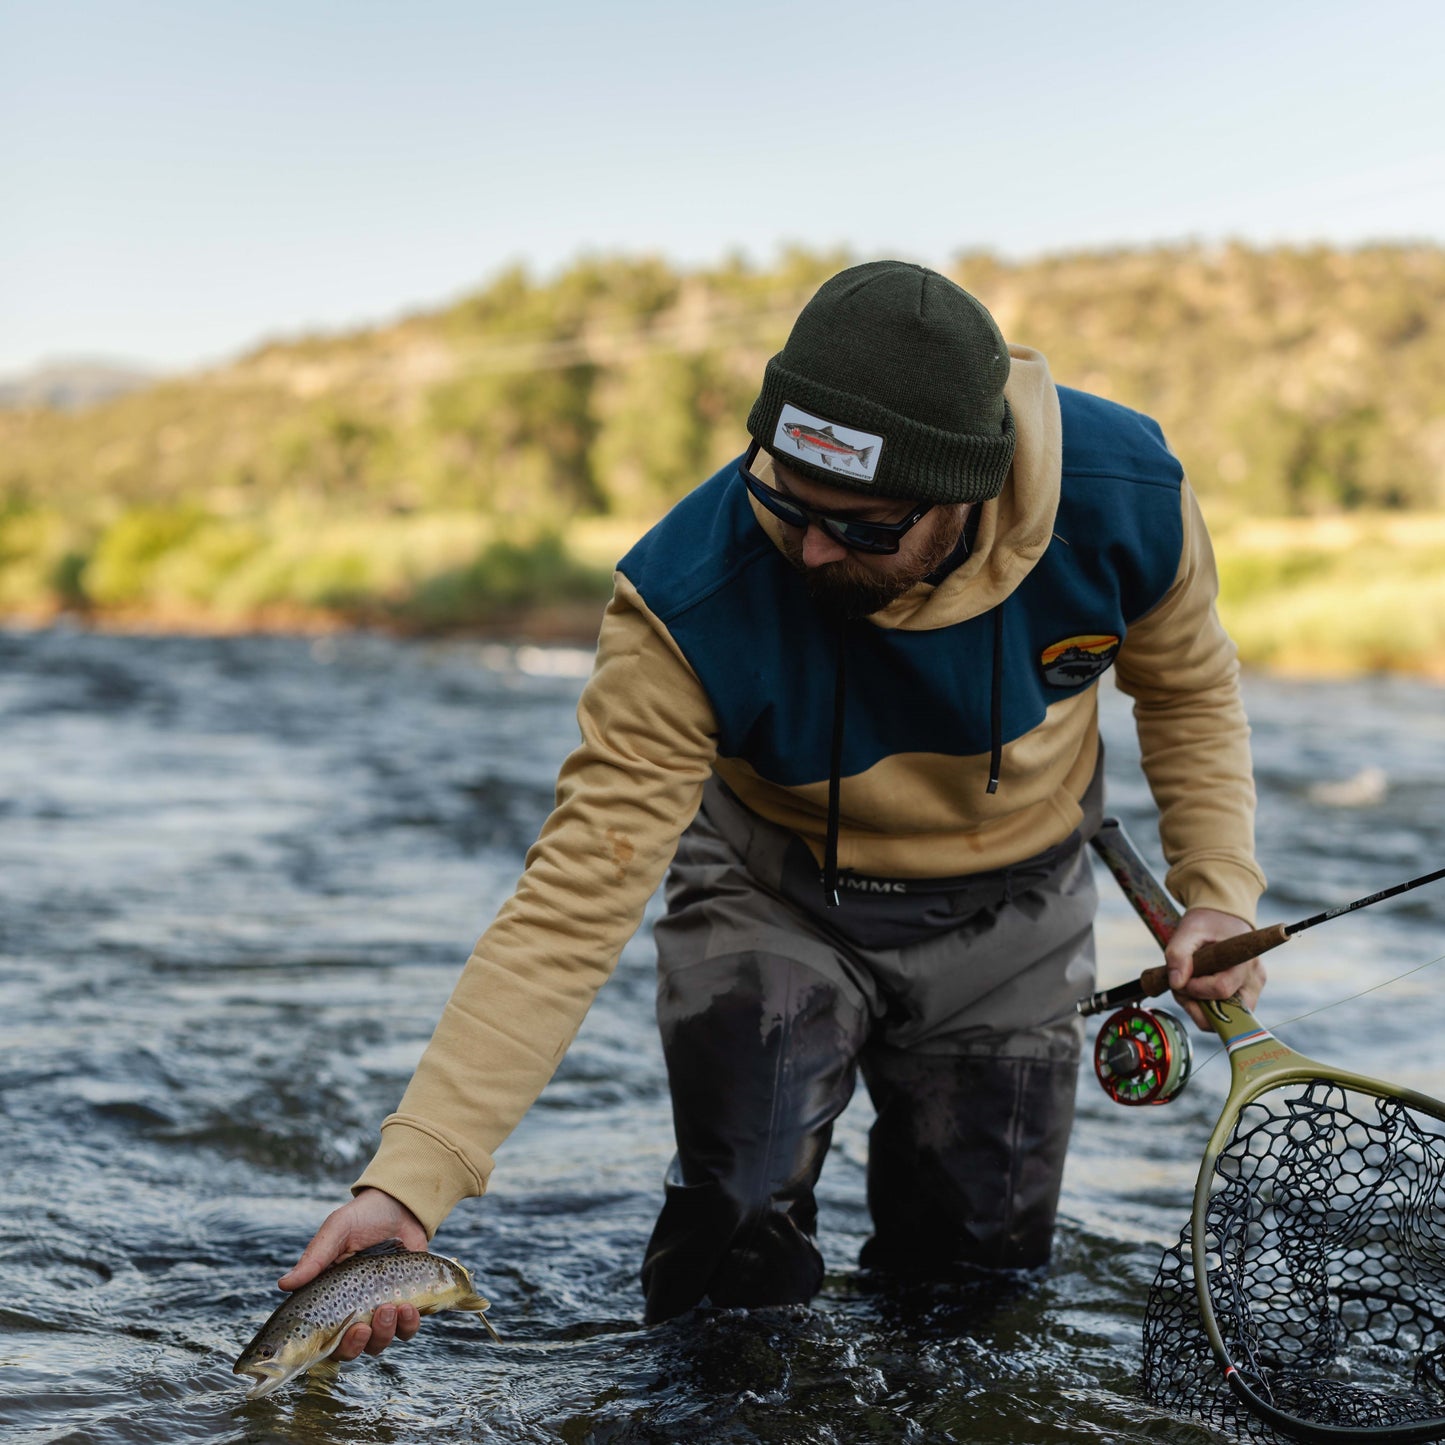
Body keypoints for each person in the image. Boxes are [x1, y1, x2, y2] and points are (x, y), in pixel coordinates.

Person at [279, 260, 1267, 1356]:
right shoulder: (684, 600)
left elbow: (1186, 689)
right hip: (772, 889)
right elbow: (568, 907)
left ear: (964, 491)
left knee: (971, 1286)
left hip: (1017, 904)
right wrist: (410, 1185)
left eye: (860, 529)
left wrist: (1216, 894)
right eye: (787, 501)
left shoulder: (1126, 499)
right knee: (732, 1235)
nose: (807, 548)